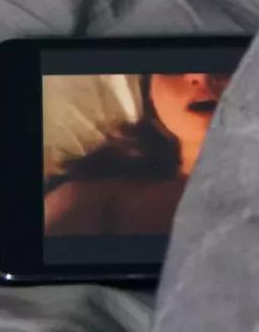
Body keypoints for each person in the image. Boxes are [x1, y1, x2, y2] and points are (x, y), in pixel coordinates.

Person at [44, 73, 231, 235]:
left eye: (223, 61)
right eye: (174, 65)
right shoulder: (84, 199)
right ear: (150, 93)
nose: (200, 76)